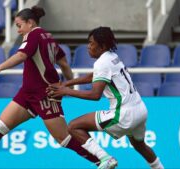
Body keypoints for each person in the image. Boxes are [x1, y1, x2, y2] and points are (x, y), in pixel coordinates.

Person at [0, 6, 101, 168]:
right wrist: (69, 82)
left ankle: (100, 161)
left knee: (64, 139)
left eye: (19, 26)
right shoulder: (48, 36)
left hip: (45, 94)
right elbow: (62, 62)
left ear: (30, 22)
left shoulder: (33, 35)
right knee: (0, 127)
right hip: (27, 93)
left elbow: (21, 55)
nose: (19, 30)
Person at [47, 27, 165, 169]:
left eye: (91, 43)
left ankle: (105, 158)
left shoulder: (102, 63)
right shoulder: (112, 56)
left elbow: (95, 95)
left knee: (73, 126)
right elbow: (94, 76)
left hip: (123, 114)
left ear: (102, 46)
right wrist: (68, 83)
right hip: (140, 110)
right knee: (140, 146)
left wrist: (66, 91)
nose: (88, 47)